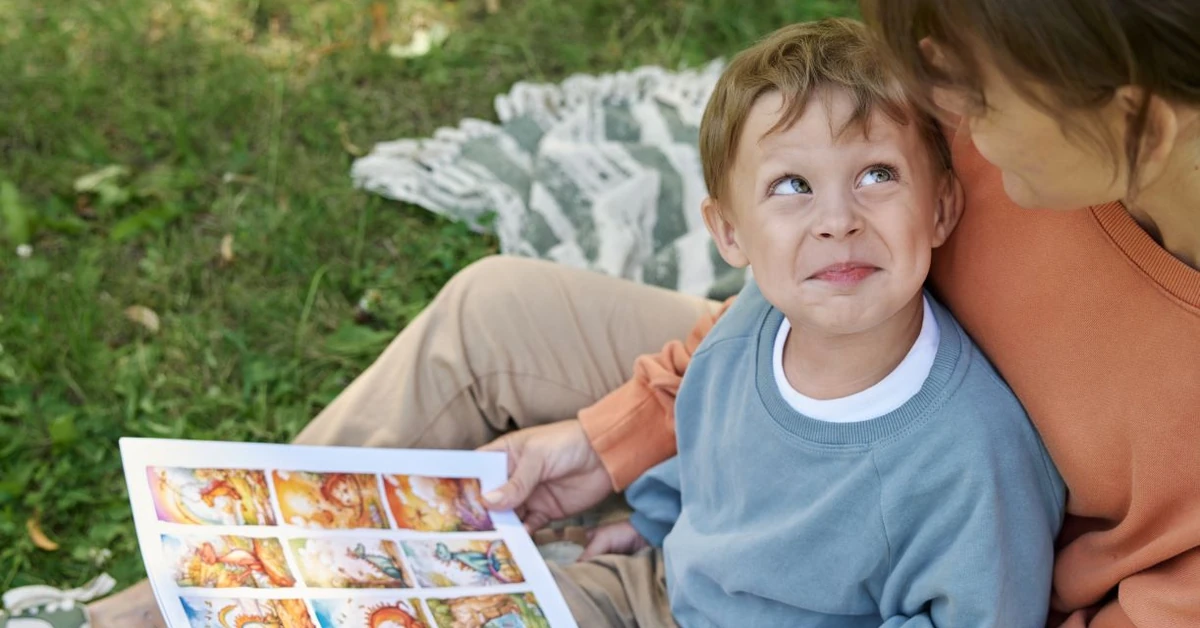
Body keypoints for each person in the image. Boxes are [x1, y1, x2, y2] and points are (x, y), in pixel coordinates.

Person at [85, 0, 1200, 626]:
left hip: (900, 521)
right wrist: (620, 436)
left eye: (977, 94)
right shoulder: (993, 126)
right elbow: (790, 282)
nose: (945, 104)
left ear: (1138, 125)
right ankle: (180, 593)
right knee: (494, 309)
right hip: (823, 367)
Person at [583, 18, 1063, 627]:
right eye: (792, 185)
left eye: (876, 175)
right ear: (729, 232)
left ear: (942, 207)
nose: (838, 220)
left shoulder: (972, 458)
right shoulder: (744, 332)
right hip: (667, 585)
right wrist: (649, 521)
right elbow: (716, 459)